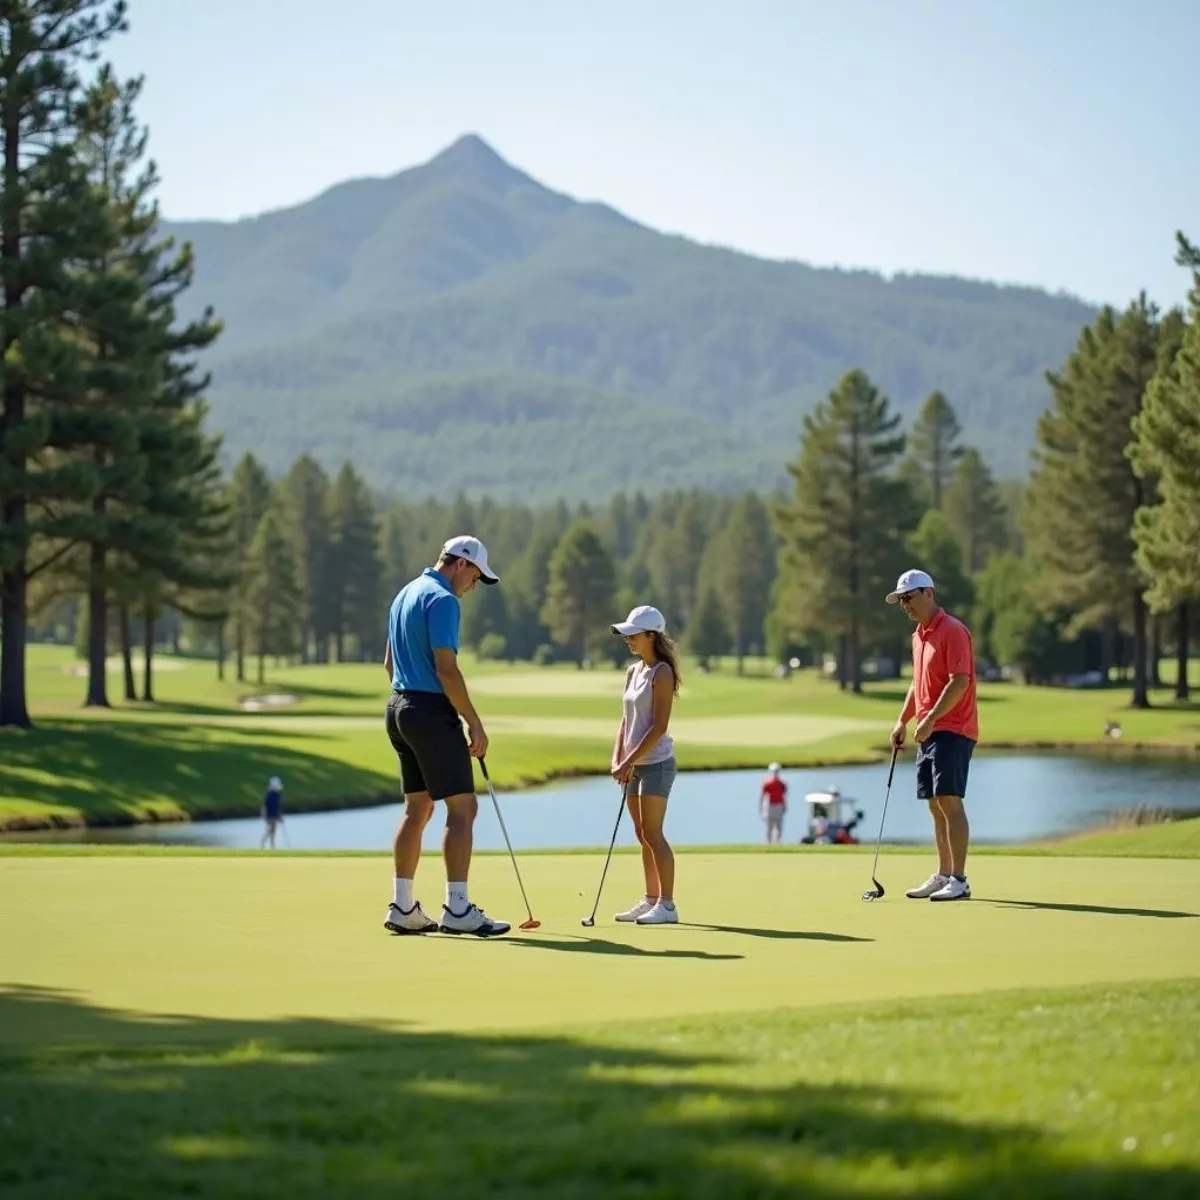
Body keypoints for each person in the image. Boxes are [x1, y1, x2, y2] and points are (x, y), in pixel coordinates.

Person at [381, 535, 510, 937]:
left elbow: (388, 662)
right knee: (463, 808)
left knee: (417, 809)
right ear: (460, 564)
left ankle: (403, 906)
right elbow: (447, 670)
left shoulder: (405, 593)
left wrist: (412, 701)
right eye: (475, 576)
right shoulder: (442, 600)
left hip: (398, 707)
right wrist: (473, 720)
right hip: (429, 711)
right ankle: (458, 909)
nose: (473, 586)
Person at [887, 568, 979, 902]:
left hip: (954, 726)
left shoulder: (952, 631)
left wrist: (930, 720)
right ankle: (943, 874)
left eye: (909, 597)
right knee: (934, 805)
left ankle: (959, 878)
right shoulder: (918, 636)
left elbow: (960, 681)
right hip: (930, 729)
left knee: (950, 800)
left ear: (928, 593)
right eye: (901, 601)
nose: (905, 605)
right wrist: (902, 720)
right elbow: (918, 684)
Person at [609, 605, 682, 925]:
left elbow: (659, 726)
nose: (627, 639)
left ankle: (667, 905)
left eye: (633, 634)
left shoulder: (661, 672)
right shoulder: (633, 671)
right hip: (634, 763)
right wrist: (618, 758)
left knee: (653, 832)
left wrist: (629, 759)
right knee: (642, 833)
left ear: (651, 636)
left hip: (657, 763)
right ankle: (650, 898)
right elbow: (626, 722)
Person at [760, 762, 787, 844]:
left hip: (779, 806)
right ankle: (769, 843)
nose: (775, 773)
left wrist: (784, 806)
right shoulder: (767, 783)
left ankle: (777, 843)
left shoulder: (782, 784)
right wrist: (762, 808)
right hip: (770, 806)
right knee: (770, 826)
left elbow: (783, 796)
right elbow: (762, 797)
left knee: (779, 826)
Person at [261, 776, 284, 849]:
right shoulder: (269, 795)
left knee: (274, 830)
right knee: (270, 829)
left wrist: (280, 816)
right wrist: (263, 815)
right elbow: (264, 805)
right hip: (269, 814)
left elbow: (278, 807)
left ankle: (272, 845)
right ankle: (264, 842)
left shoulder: (278, 795)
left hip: (275, 814)